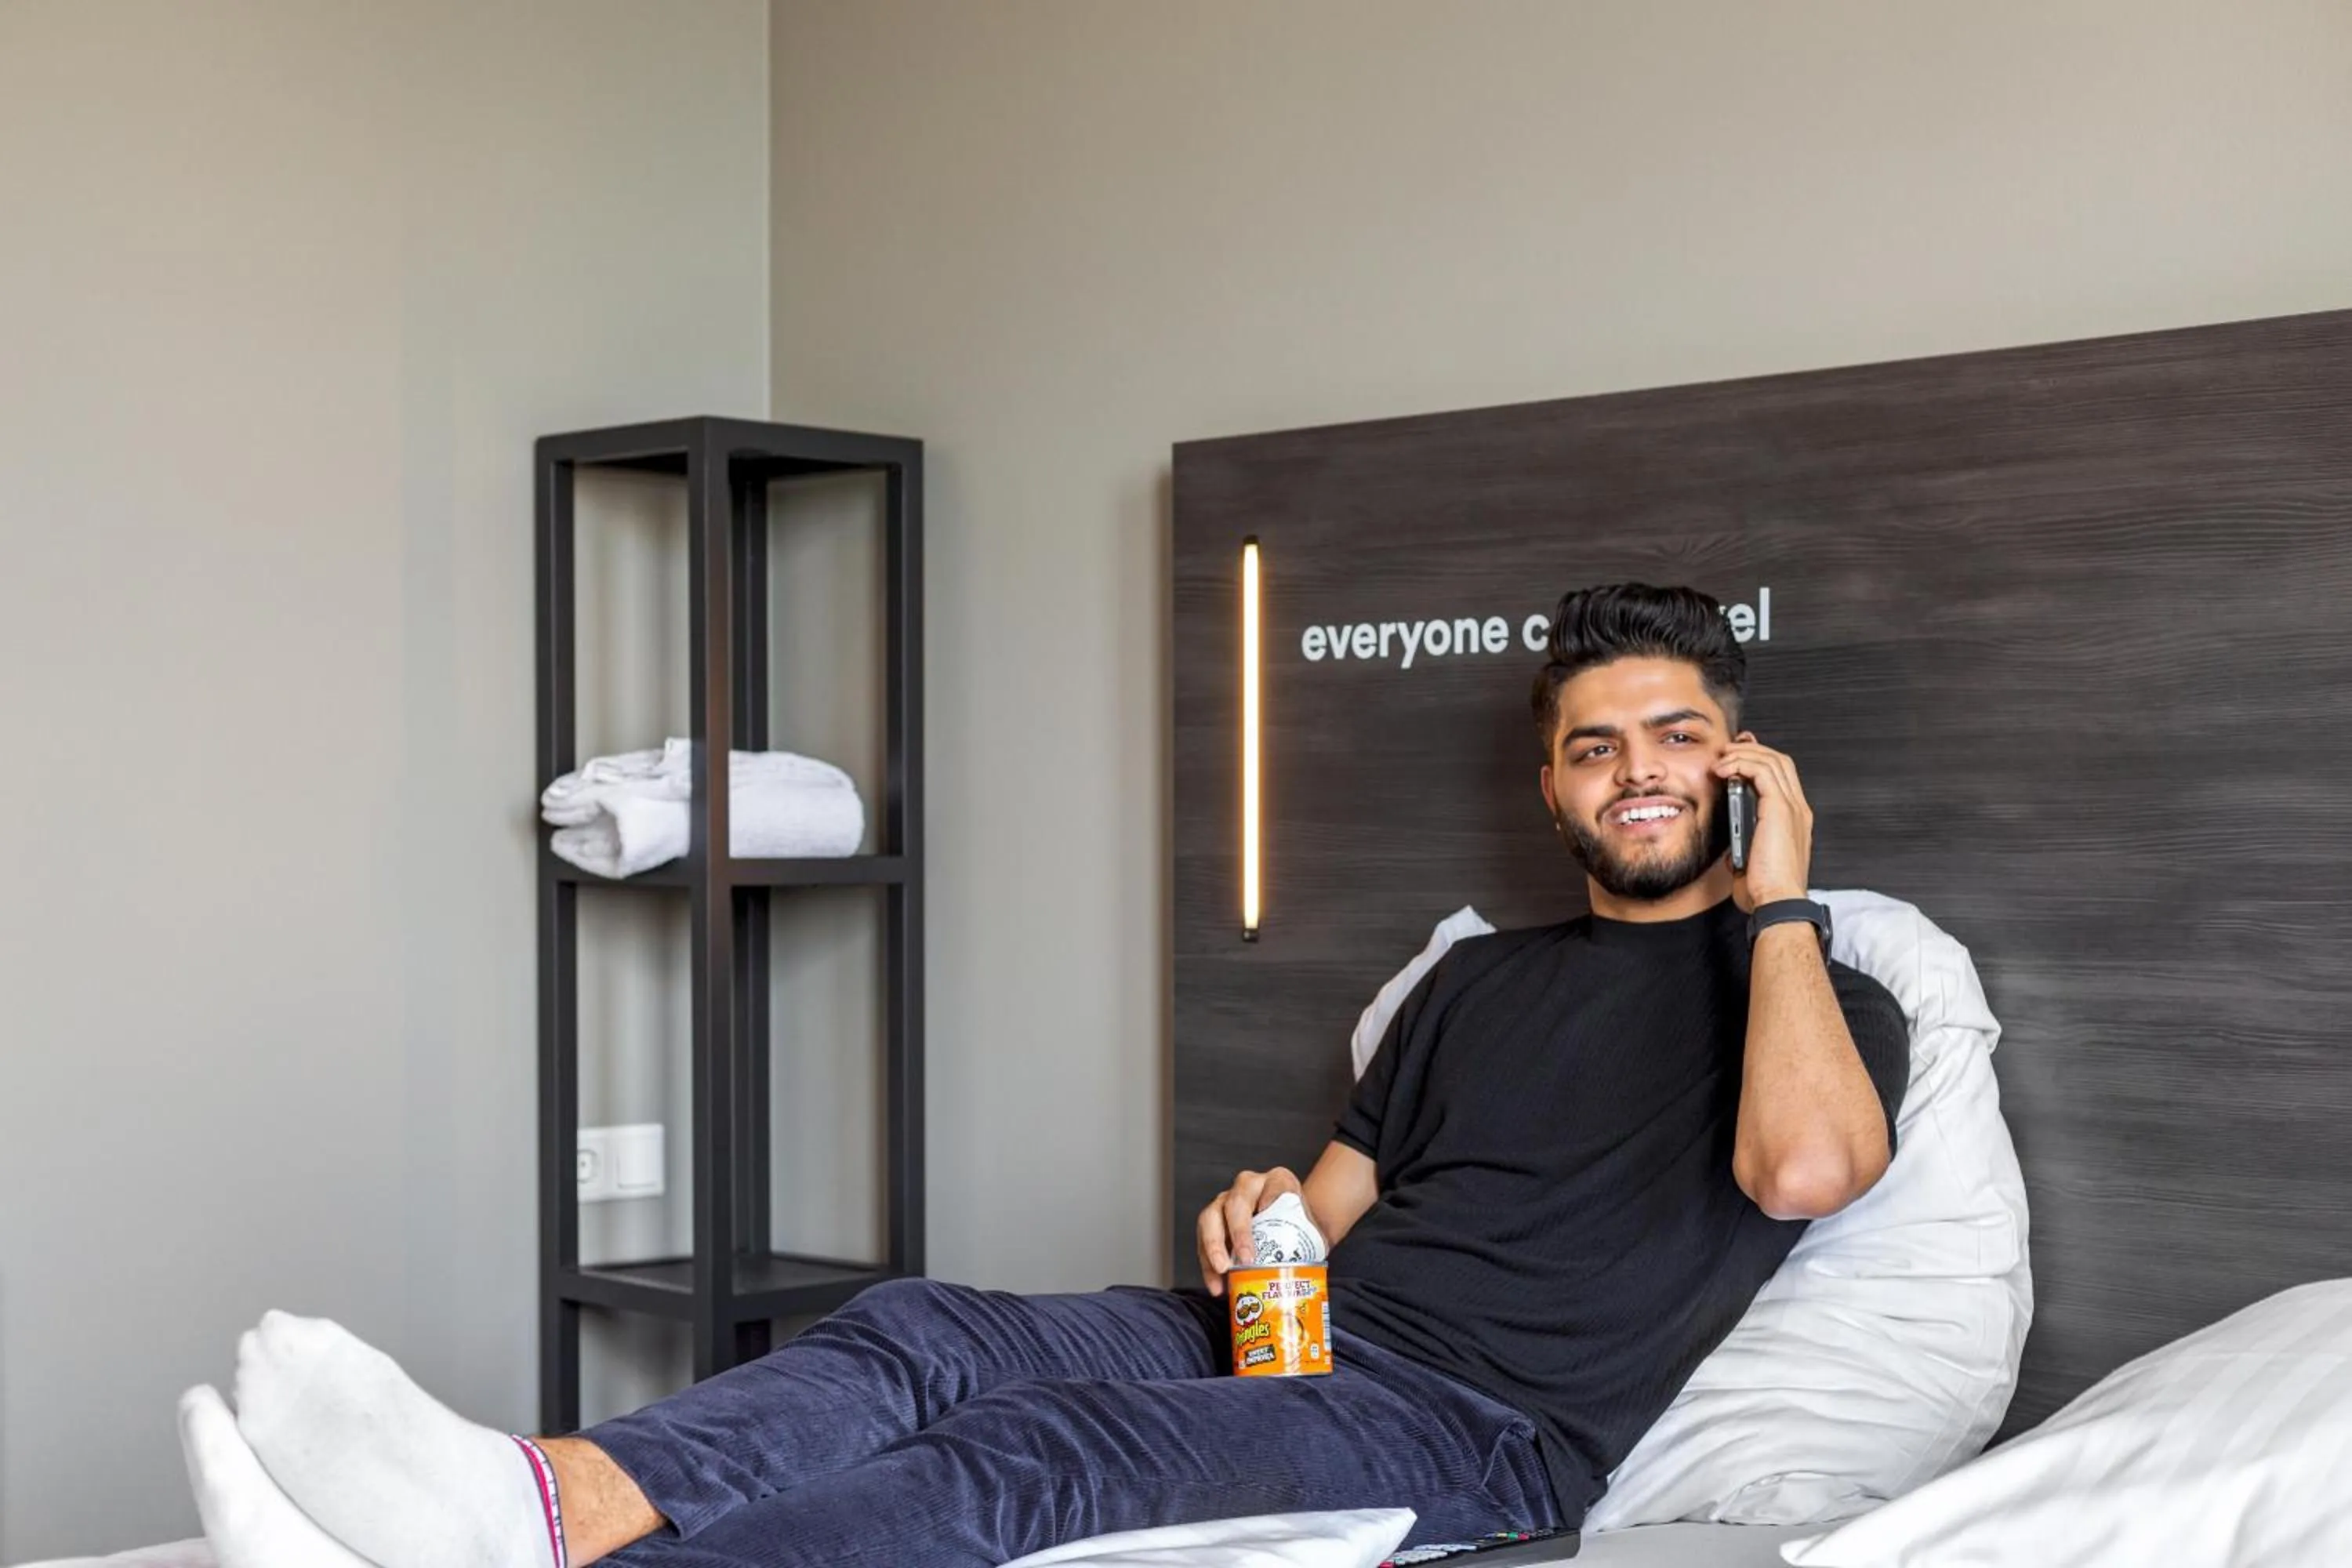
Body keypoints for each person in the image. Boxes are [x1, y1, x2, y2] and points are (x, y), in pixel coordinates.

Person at [176, 582, 1910, 1568]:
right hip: (1296, 1337)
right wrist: (1253, 1222)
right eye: (1594, 747)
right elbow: (1327, 1210)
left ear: (1742, 763)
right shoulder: (1471, 981)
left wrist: (1783, 899)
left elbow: (1805, 1174)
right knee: (930, 1325)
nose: (1636, 775)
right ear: (1552, 787)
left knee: (1048, 1443)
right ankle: (537, 1506)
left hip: (1484, 1426)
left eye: (1678, 738)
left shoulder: (1821, 991)